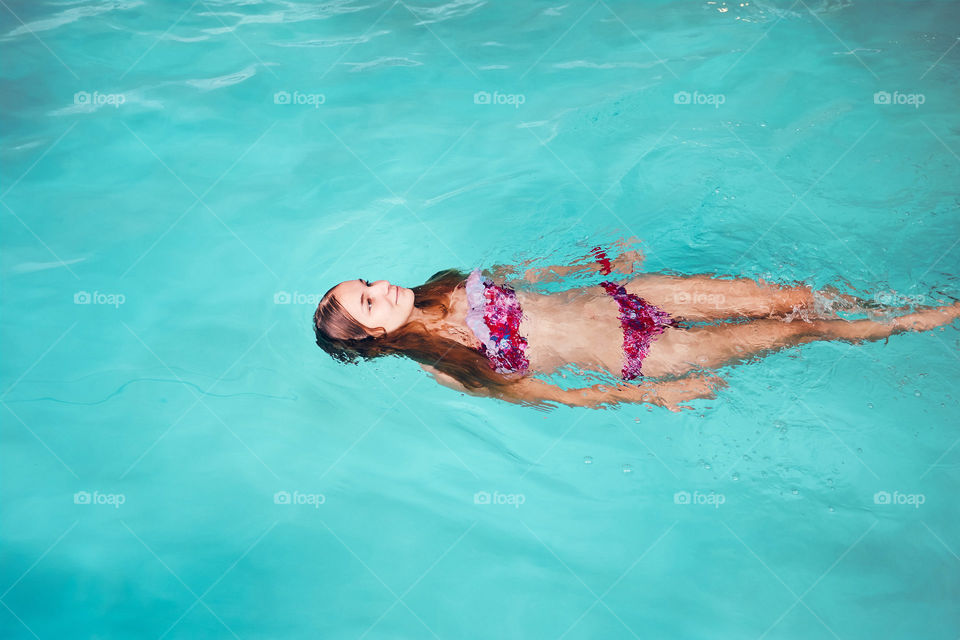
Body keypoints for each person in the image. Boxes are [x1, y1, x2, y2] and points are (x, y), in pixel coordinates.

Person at [312, 247, 959, 410]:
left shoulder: (444, 283)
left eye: (366, 282)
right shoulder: (449, 368)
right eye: (369, 302)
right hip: (647, 352)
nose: (381, 287)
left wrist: (598, 265)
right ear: (375, 337)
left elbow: (527, 277)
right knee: (800, 331)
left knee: (793, 299)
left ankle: (880, 298)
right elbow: (555, 396)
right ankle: (918, 319)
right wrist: (654, 394)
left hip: (629, 296)